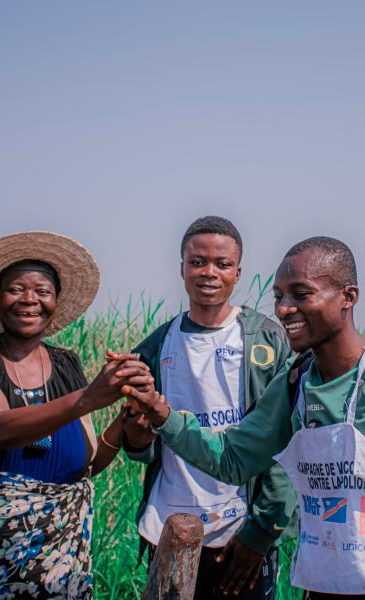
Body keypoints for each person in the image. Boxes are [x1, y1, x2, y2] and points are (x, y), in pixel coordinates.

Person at [122, 236, 365, 600]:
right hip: (319, 587)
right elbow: (231, 458)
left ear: (348, 297)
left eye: (301, 295)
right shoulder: (296, 380)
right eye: (279, 297)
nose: (285, 309)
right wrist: (161, 414)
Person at [0, 231, 152, 600]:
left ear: (55, 301)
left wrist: (125, 418)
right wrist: (88, 398)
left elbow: (83, 464)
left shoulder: (66, 363)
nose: (29, 300)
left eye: (42, 291)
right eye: (16, 289)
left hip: (60, 557)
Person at [122, 216, 297, 600]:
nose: (209, 273)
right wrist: (135, 431)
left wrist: (262, 531)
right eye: (197, 262)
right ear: (181, 268)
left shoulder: (268, 341)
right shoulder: (155, 345)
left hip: (242, 532)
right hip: (169, 527)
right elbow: (144, 447)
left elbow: (286, 445)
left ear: (238, 273)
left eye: (222, 264)